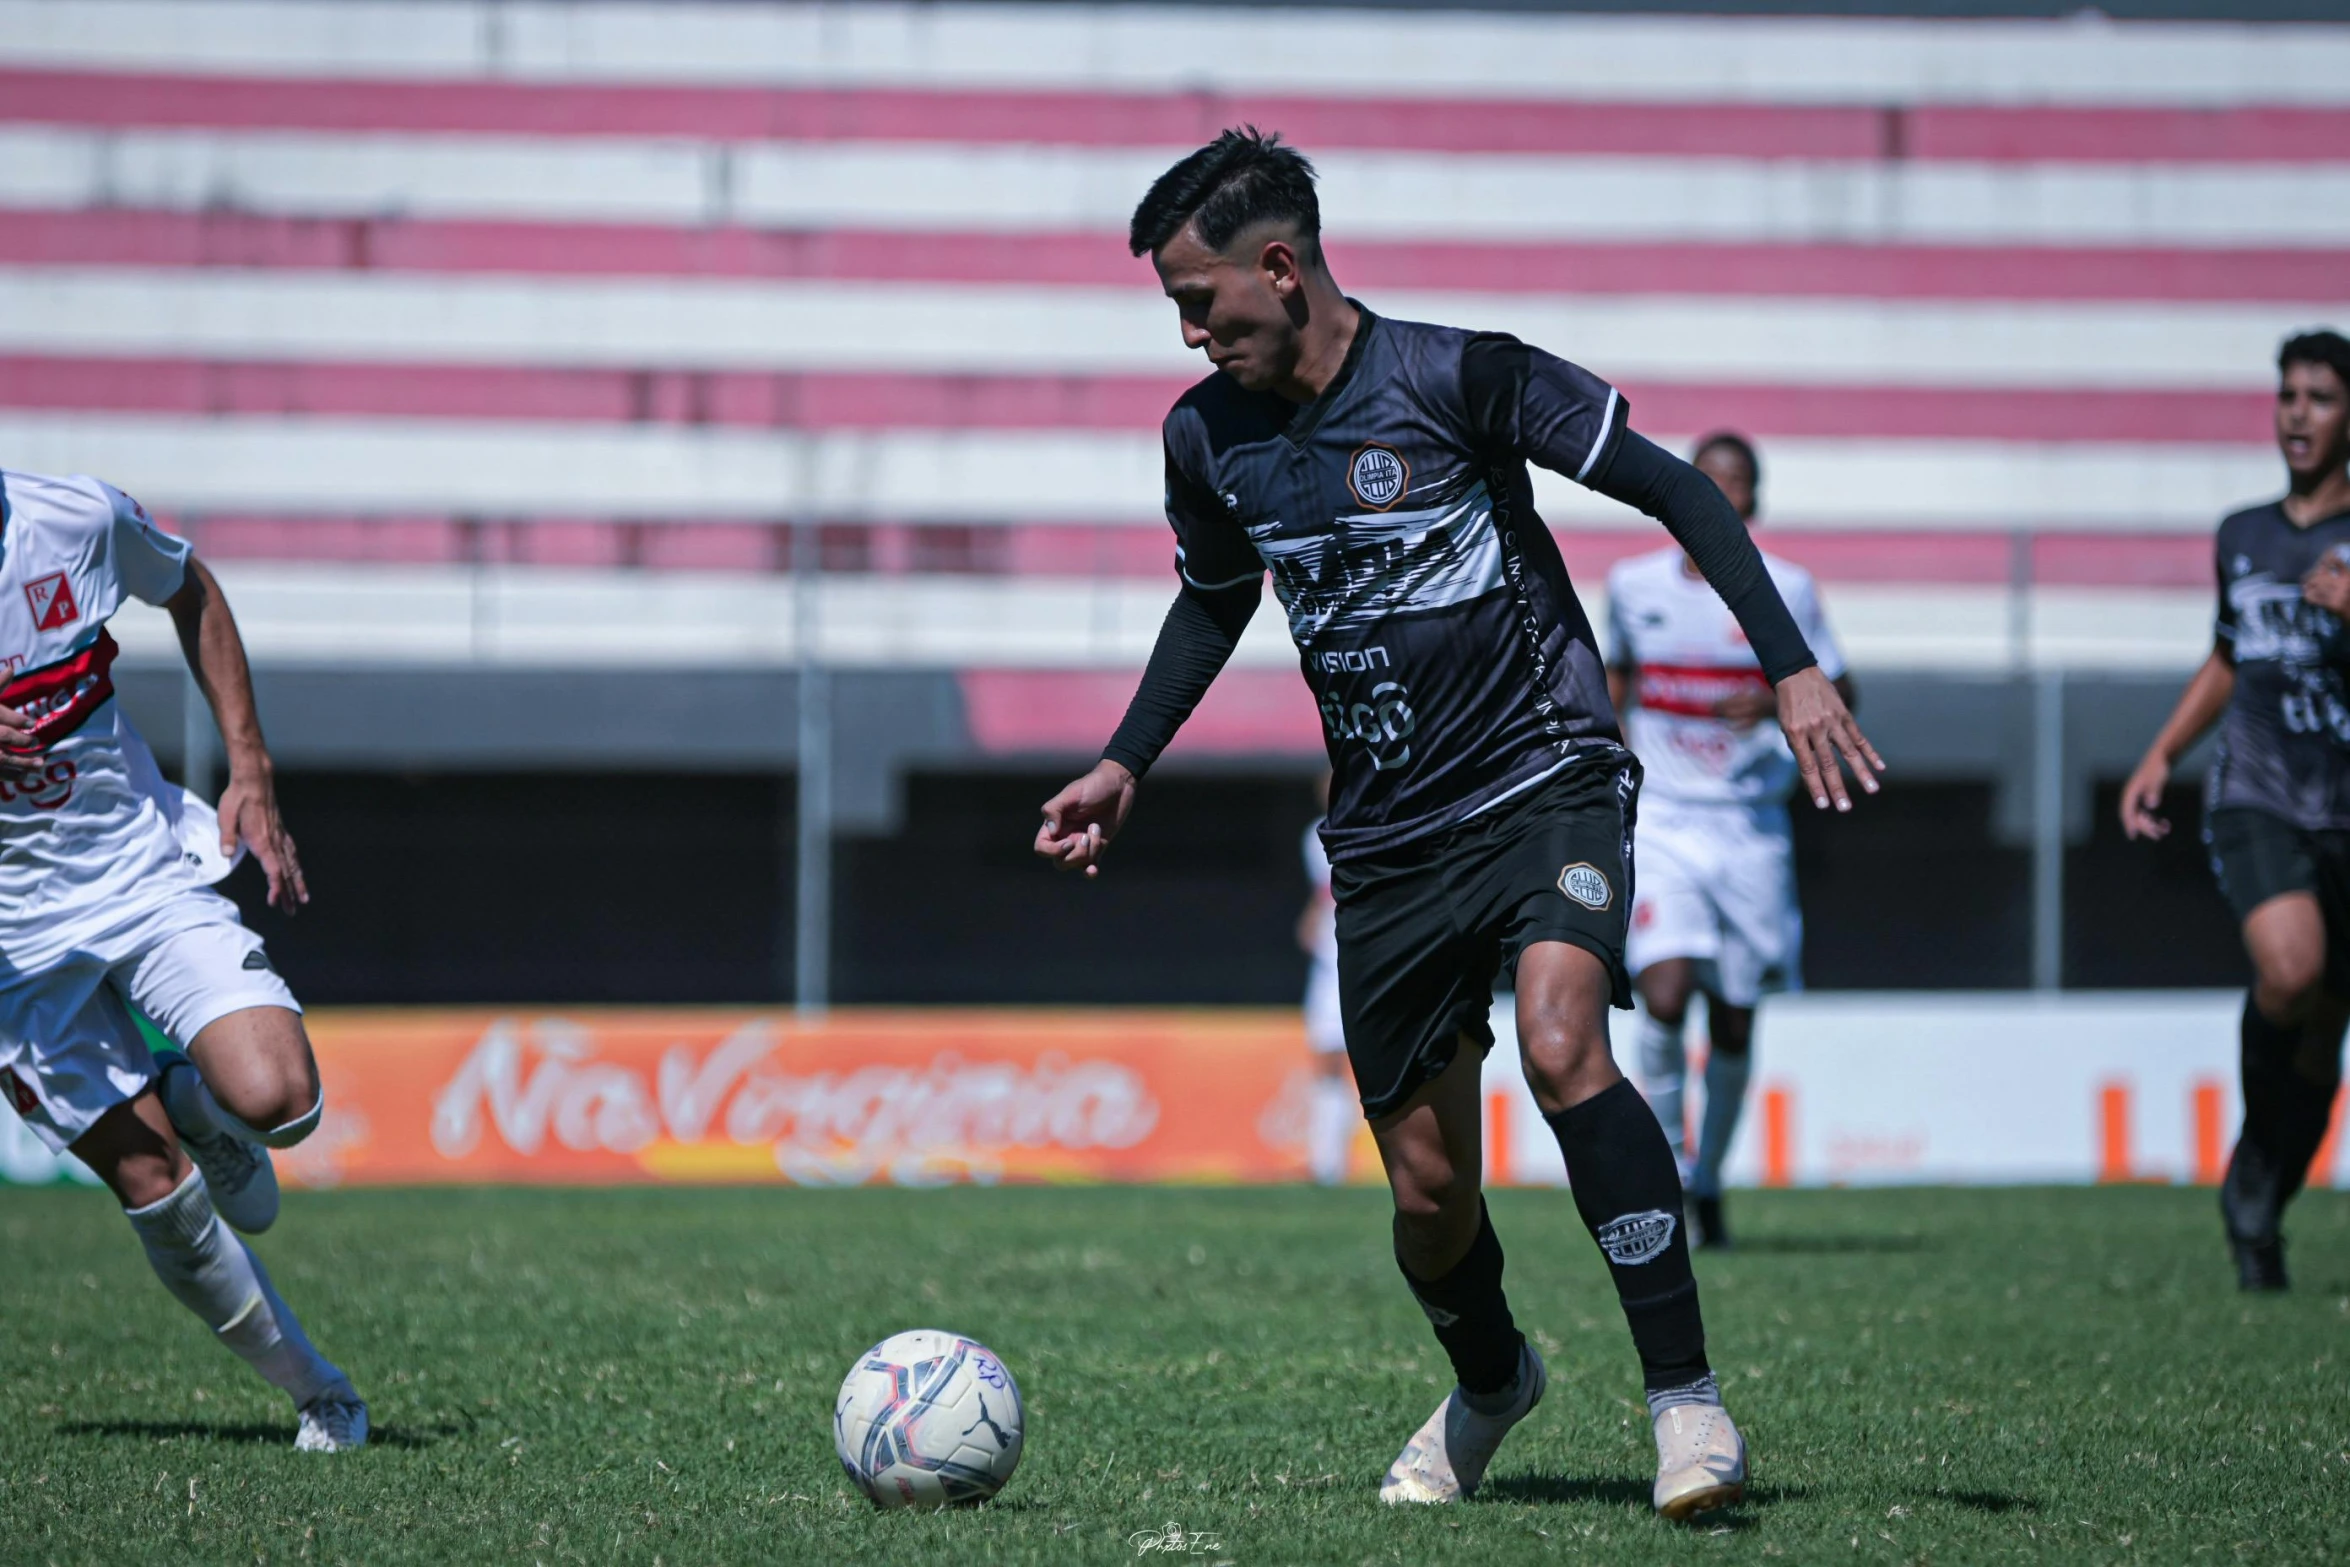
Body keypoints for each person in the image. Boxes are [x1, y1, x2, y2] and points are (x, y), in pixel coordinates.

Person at [1033, 130, 1880, 1519]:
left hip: (1544, 771)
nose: (1188, 331)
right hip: (1384, 842)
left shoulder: (1460, 375)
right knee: (1428, 1192)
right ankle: (1493, 1380)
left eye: (1200, 300)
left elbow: (1673, 487)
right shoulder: (1205, 437)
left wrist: (1786, 663)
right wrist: (1128, 758)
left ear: (1280, 265)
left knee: (1562, 1041)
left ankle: (1688, 1404)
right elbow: (1213, 596)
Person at [0, 468, 367, 1449]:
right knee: (155, 1185)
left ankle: (197, 1100)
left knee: (284, 1101)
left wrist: (250, 766)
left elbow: (189, 585)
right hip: (11, 956)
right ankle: (319, 1392)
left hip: (139, 870)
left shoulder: (69, 516)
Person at [2122, 329, 2350, 1293]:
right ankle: (2257, 1164)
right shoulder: (2243, 534)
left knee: (2322, 1027)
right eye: (2288, 394)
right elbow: (2229, 655)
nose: (2297, 412)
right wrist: (2163, 751)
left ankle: (2260, 1195)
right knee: (2291, 970)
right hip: (2257, 794)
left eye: (2320, 397)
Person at [1605, 433, 1852, 1249]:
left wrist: (1772, 690)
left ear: (1755, 500)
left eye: (1734, 484)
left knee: (1737, 1019)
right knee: (1665, 993)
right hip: (1667, 820)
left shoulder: (1789, 589)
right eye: (1702, 484)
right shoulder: (1631, 586)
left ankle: (1710, 1178)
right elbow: (1614, 683)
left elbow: (1839, 686)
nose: (1719, 496)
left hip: (1750, 827)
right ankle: (1670, 1174)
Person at [1299, 775, 1357, 1185]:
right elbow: (1325, 892)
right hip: (1327, 961)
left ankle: (1339, 1161)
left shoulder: (1374, 822)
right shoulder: (1313, 837)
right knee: (1326, 1062)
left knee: (1363, 1064)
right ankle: (1326, 1163)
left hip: (1362, 956)